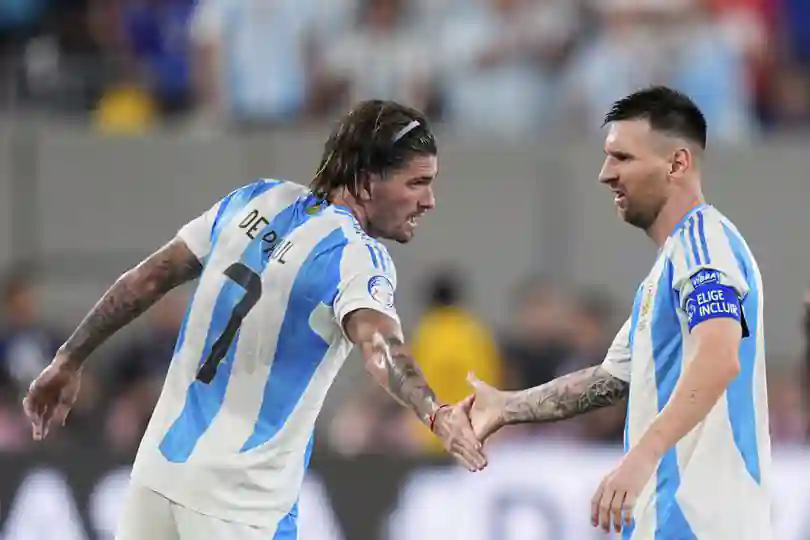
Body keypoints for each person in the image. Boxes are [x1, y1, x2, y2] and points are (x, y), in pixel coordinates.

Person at [22, 99, 487, 540]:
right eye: (417, 182)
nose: (430, 200)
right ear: (367, 182)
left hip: (157, 475)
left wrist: (68, 358)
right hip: (239, 504)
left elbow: (148, 279)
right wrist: (435, 412)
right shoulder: (357, 256)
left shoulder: (256, 200)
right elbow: (379, 346)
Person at [468, 86, 771, 539]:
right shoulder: (666, 270)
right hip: (664, 522)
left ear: (677, 163)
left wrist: (642, 455)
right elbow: (612, 380)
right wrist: (507, 406)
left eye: (622, 158)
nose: (605, 174)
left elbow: (719, 355)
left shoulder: (704, 244)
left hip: (703, 524)